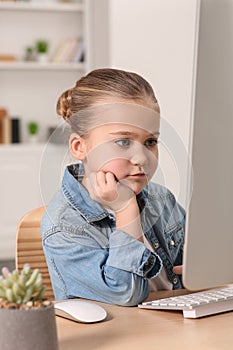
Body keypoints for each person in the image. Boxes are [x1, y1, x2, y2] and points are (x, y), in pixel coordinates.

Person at [41, 68, 185, 306]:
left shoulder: (162, 199)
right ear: (79, 147)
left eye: (150, 141)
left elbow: (197, 271)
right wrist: (126, 209)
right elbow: (126, 294)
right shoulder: (63, 227)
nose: (141, 158)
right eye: (123, 141)